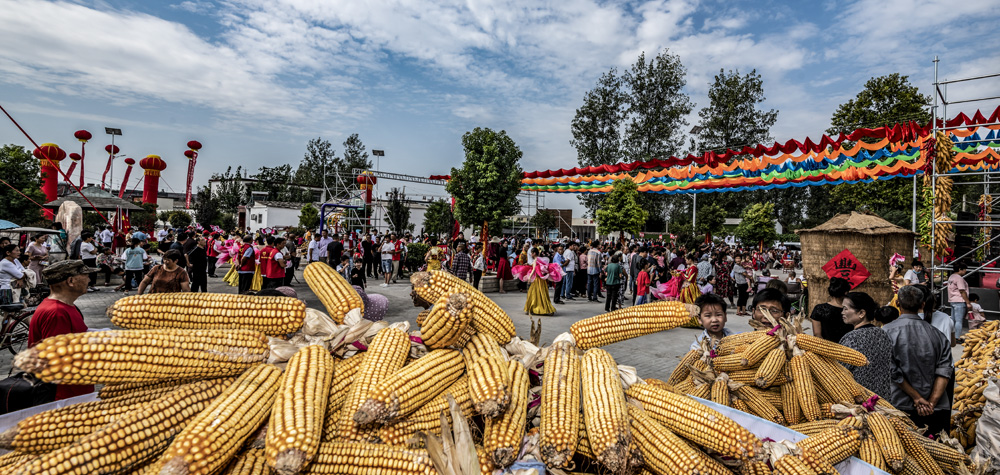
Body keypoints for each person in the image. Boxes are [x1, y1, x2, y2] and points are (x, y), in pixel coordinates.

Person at [884, 285, 954, 435]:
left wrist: (917, 398)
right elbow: (944, 370)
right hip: (934, 407)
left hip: (899, 405)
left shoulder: (886, 332)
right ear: (922, 305)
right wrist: (932, 402)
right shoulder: (937, 335)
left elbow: (892, 371)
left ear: (897, 304)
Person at [29, 260, 99, 400]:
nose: (89, 279)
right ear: (71, 281)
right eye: (86, 275)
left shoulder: (67, 307)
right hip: (64, 396)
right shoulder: (57, 313)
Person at [838, 291, 892, 399]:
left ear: (861, 313)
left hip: (860, 400)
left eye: (845, 308)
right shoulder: (882, 333)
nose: (842, 312)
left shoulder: (852, 338)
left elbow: (839, 370)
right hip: (883, 398)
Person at [511, 247, 562, 316]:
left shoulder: (535, 260)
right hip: (542, 280)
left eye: (531, 253)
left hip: (537, 280)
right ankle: (545, 309)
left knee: (534, 294)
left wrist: (529, 277)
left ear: (534, 253)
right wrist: (529, 265)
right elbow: (535, 267)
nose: (531, 254)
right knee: (542, 294)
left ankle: (532, 308)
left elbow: (534, 269)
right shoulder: (540, 259)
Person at [809, 277, 852, 344]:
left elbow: (817, 335)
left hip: (826, 349)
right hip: (849, 349)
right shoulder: (852, 310)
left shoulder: (819, 309)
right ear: (846, 292)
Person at [946, 261, 970, 343]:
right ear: (960, 269)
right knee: (959, 320)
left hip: (952, 300)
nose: (965, 271)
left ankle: (951, 335)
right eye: (964, 269)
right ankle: (957, 337)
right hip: (959, 301)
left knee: (953, 319)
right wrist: (968, 302)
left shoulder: (951, 277)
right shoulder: (959, 278)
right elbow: (962, 291)